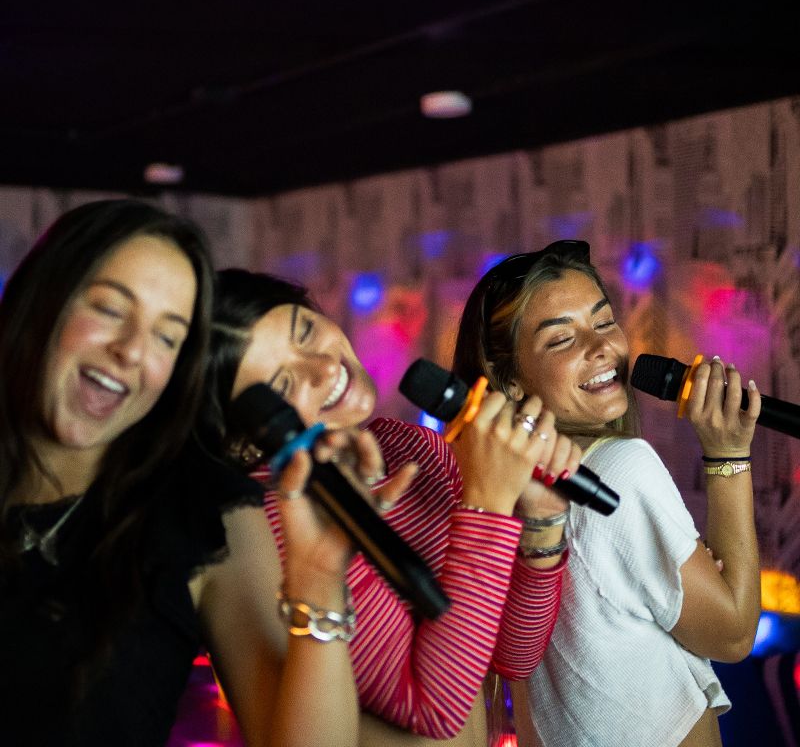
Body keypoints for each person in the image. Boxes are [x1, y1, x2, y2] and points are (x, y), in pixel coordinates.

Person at [0, 200, 361, 747]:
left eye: (167, 336)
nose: (131, 351)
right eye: (109, 309)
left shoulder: (205, 511)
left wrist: (319, 587)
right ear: (39, 302)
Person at [198, 267, 584, 747]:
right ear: (242, 443)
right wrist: (486, 503)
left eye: (306, 331)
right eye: (281, 384)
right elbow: (434, 711)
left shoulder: (410, 444)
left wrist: (542, 520)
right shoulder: (283, 515)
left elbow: (513, 656)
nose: (323, 367)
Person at [452, 239, 762, 747]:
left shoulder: (504, 501)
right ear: (507, 379)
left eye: (603, 322)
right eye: (561, 340)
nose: (600, 349)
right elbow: (732, 634)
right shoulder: (620, 471)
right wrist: (728, 455)